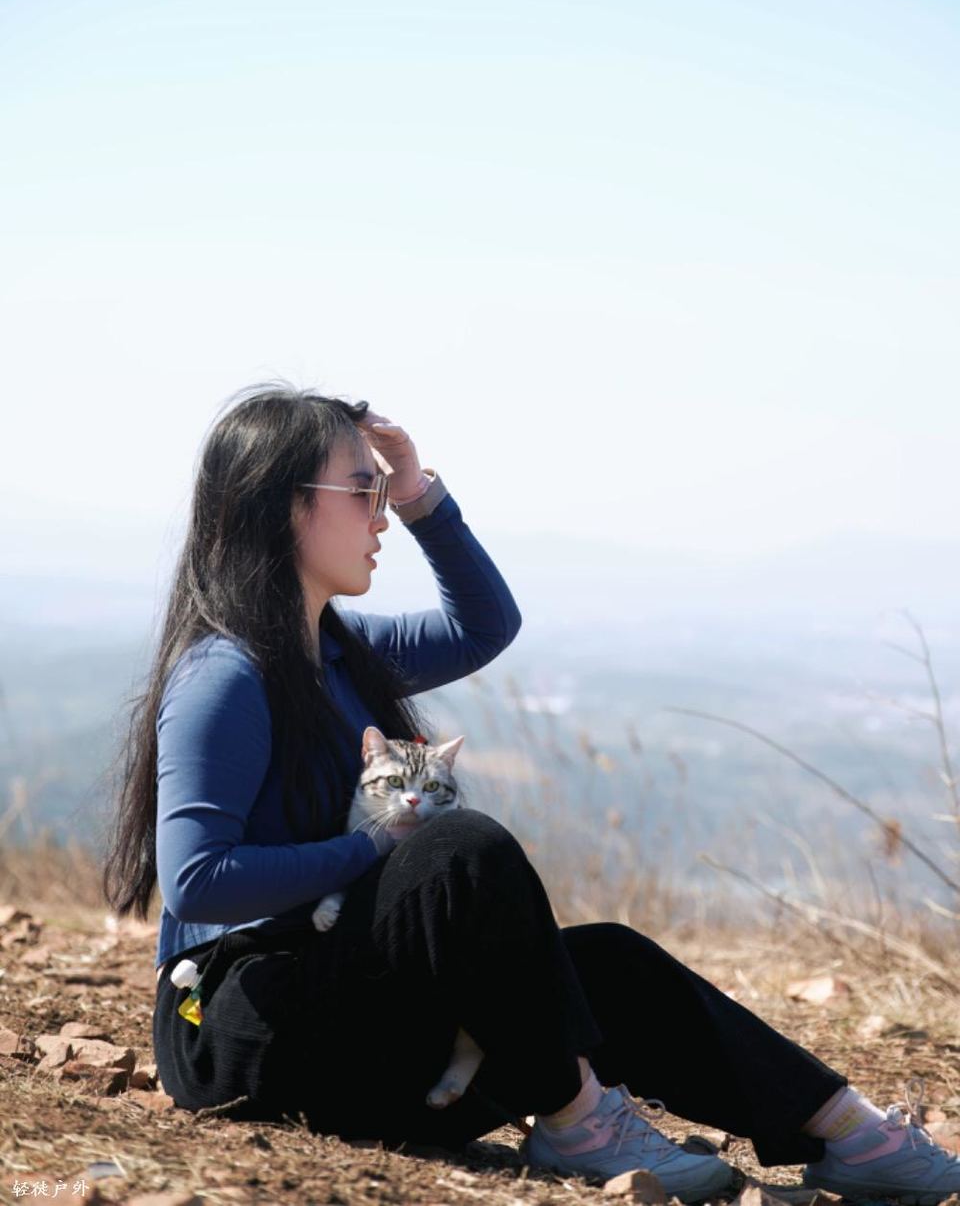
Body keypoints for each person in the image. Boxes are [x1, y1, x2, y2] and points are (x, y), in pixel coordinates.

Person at [102, 385, 960, 1203]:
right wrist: (370, 848)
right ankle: (577, 1119)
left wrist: (421, 492)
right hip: (239, 1032)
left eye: (381, 495)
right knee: (459, 847)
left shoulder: (342, 651)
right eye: (364, 492)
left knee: (610, 962)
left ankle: (849, 1131)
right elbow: (197, 880)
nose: (380, 518)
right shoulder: (226, 675)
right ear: (283, 504)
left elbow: (484, 624)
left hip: (350, 1020)